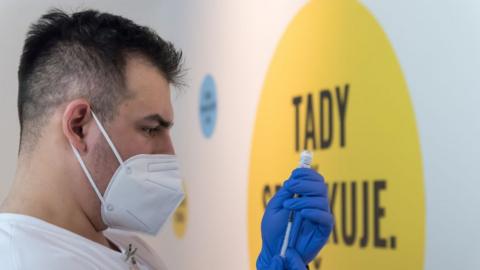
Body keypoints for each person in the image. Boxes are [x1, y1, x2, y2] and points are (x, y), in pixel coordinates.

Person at [0, 8, 333, 270]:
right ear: (79, 126)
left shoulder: (118, 244)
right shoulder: (23, 260)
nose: (169, 152)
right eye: (150, 129)